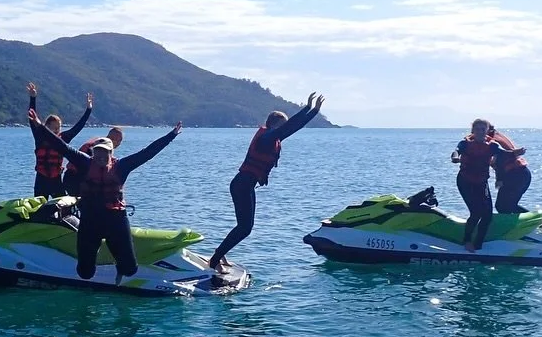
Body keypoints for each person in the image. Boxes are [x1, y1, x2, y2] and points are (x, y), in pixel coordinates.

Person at [29, 108, 181, 280]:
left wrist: (172, 135)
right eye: (98, 151)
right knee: (85, 273)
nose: (101, 155)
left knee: (130, 269)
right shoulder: (84, 163)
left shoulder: (121, 167)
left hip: (115, 220)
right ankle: (95, 260)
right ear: (93, 152)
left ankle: (119, 263)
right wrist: (39, 125)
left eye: (105, 152)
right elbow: (60, 146)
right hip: (90, 220)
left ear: (111, 153)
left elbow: (147, 152)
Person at [207, 93, 325, 274]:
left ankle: (219, 254)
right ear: (274, 124)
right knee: (245, 227)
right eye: (282, 124)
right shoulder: (265, 138)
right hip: (241, 185)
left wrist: (313, 110)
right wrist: (308, 108)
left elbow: (293, 128)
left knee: (244, 227)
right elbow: (290, 126)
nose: (285, 128)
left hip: (245, 185)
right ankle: (214, 260)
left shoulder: (273, 138)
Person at [450, 118, 525, 251]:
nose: (480, 132)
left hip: (481, 183)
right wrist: (455, 158)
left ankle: (478, 245)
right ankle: (466, 241)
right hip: (465, 182)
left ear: (487, 131)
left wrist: (516, 152)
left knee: (487, 215)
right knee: (476, 212)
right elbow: (456, 151)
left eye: (483, 129)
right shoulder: (465, 143)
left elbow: (504, 153)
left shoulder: (492, 145)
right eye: (477, 129)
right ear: (473, 131)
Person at [27, 82, 93, 197]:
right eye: (54, 127)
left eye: (59, 127)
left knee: (63, 207)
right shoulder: (39, 136)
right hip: (41, 180)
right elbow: (32, 118)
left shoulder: (64, 139)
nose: (57, 130)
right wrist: (33, 98)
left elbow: (78, 126)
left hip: (56, 179)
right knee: (38, 209)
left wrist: (88, 110)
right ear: (46, 127)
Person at [64, 125, 124, 195]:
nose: (118, 143)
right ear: (109, 137)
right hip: (74, 178)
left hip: (73, 176)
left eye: (120, 141)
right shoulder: (96, 149)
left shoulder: (100, 143)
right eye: (116, 140)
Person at [487, 124, 532, 214]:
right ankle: (535, 221)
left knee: (502, 206)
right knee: (507, 205)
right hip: (522, 174)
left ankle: (533, 221)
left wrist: (499, 179)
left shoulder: (493, 142)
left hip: (516, 175)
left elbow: (500, 160)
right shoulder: (496, 137)